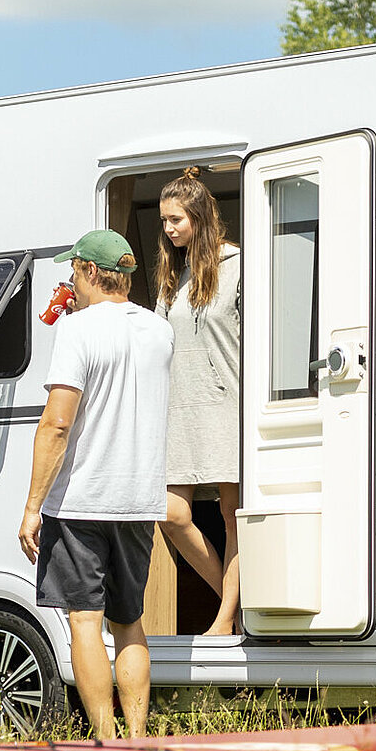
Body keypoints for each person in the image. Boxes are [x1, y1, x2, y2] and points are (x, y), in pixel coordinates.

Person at [18, 228, 173, 739]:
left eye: (73, 271)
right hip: (137, 499)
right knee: (129, 621)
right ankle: (138, 738)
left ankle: (105, 739)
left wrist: (33, 505)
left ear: (89, 272)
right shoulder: (159, 331)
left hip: (82, 499)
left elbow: (58, 423)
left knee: (85, 621)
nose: (70, 281)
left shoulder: (77, 330)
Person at [154, 168, 242, 634]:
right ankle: (232, 602)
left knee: (234, 516)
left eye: (176, 219)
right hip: (180, 410)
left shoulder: (239, 265)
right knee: (172, 513)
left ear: (200, 216)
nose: (168, 229)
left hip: (227, 404)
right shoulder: (175, 274)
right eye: (164, 221)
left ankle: (226, 617)